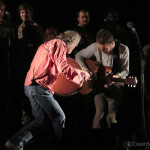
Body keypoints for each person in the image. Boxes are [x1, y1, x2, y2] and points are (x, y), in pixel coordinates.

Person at [4, 30, 91, 150]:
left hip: (30, 86)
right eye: (76, 45)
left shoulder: (46, 44)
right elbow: (63, 67)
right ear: (72, 42)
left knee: (41, 121)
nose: (75, 48)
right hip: (39, 87)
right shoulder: (59, 44)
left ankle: (14, 143)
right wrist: (81, 75)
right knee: (59, 117)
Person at [75, 29, 129, 129]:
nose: (102, 51)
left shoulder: (123, 49)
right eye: (100, 49)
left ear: (111, 43)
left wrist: (116, 77)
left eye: (105, 49)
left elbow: (126, 71)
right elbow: (78, 55)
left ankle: (113, 140)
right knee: (100, 113)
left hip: (116, 84)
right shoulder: (95, 46)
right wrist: (87, 71)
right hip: (99, 84)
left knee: (111, 115)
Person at [16, 2, 44, 126]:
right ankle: (26, 121)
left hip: (33, 66)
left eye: (26, 12)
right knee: (24, 96)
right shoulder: (19, 27)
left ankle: (37, 122)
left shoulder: (35, 26)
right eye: (22, 12)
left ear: (30, 13)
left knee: (34, 94)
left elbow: (41, 41)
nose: (24, 14)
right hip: (22, 65)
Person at [0, 0, 16, 146]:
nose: (0, 12)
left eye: (2, 10)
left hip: (5, 67)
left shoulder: (8, 26)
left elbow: (13, 47)